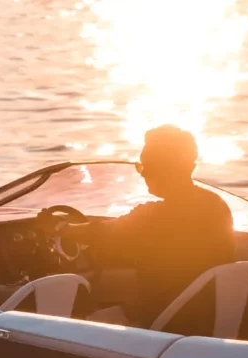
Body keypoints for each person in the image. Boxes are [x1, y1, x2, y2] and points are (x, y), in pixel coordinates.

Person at [59, 125, 235, 326]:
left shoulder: (155, 216)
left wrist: (61, 230)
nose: (142, 174)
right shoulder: (216, 204)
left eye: (146, 166)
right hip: (207, 314)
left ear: (165, 168)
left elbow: (101, 234)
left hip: (162, 318)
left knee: (76, 324)